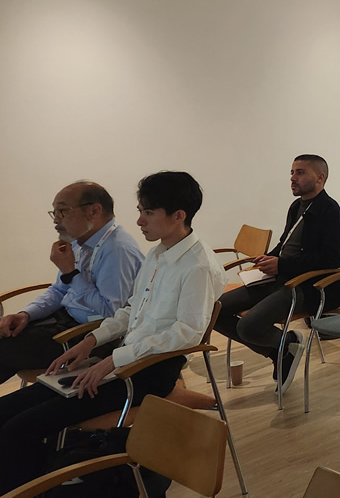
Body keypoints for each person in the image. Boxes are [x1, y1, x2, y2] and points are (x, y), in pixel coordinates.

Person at [0, 171, 225, 492]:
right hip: (123, 361)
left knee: (20, 428)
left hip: (149, 372)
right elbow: (131, 309)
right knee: (8, 411)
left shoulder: (198, 266)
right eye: (140, 211)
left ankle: (31, 488)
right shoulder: (159, 254)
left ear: (178, 216)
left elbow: (186, 333)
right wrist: (92, 340)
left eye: (148, 212)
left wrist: (114, 360)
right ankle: (36, 479)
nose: (139, 221)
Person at [214, 154, 340, 396]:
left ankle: (288, 344)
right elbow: (285, 244)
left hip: (306, 285)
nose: (293, 178)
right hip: (279, 276)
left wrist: (282, 264)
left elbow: (331, 259)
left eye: (300, 172)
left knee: (248, 326)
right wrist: (269, 258)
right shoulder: (296, 206)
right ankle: (279, 350)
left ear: (320, 178)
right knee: (216, 310)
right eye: (292, 172)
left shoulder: (330, 211)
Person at [0, 182, 142, 384]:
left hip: (92, 335)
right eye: (54, 212)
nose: (56, 219)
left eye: (63, 211)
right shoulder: (79, 242)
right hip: (64, 319)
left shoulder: (118, 249)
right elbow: (59, 290)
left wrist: (71, 273)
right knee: (6, 336)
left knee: (5, 349)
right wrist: (26, 314)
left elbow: (110, 313)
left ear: (94, 211)